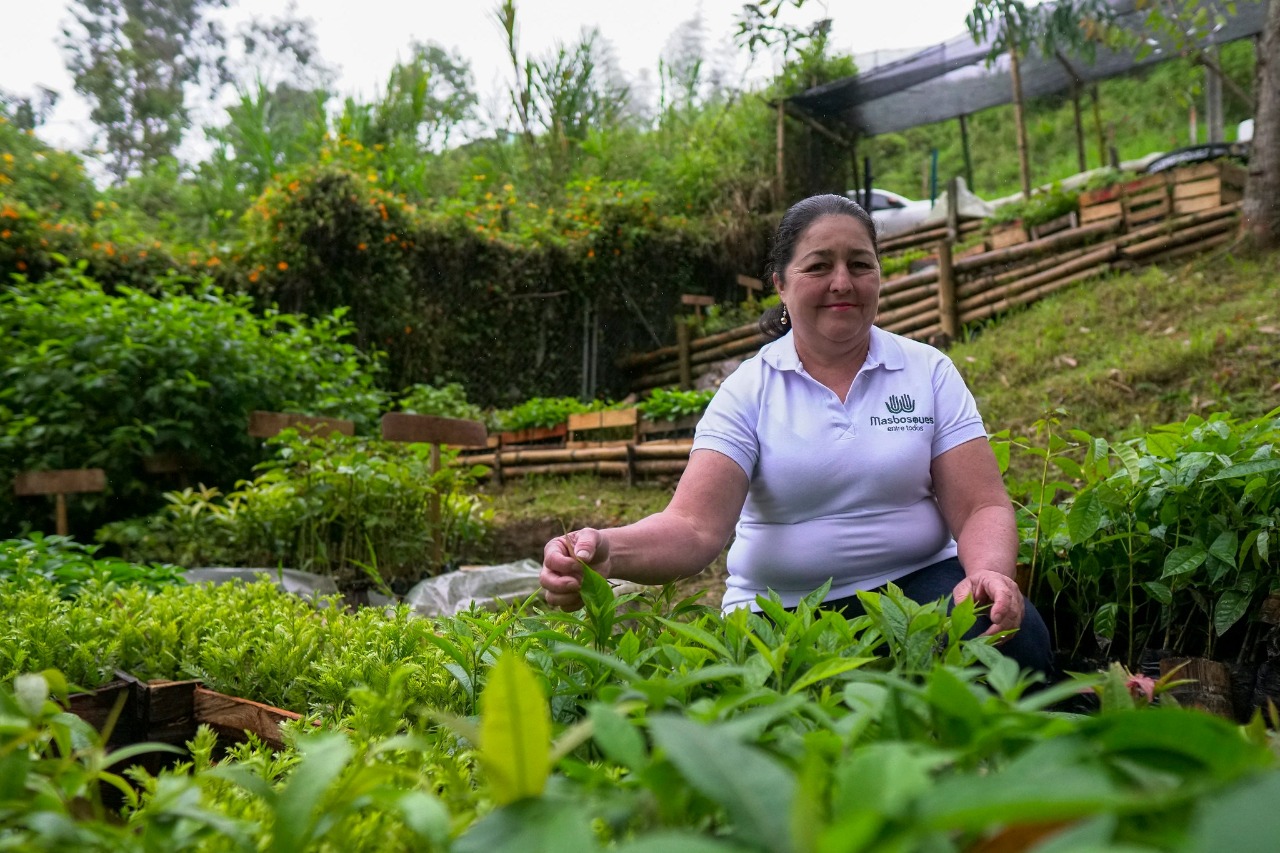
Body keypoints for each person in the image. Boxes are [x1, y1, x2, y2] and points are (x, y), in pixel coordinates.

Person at [541, 193, 1052, 674]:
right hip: (782, 610)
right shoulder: (748, 391)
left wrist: (989, 571)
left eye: (860, 264)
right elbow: (695, 528)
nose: (842, 282)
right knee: (801, 709)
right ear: (780, 284)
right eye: (818, 265)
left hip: (919, 586)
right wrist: (607, 551)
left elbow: (981, 505)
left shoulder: (927, 371)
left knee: (1013, 639)